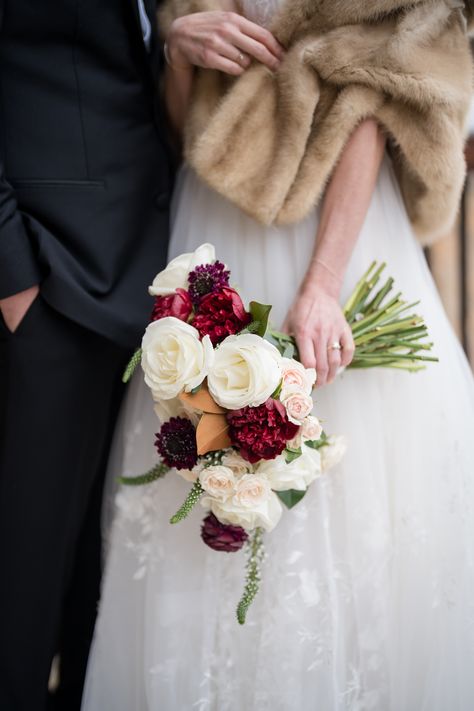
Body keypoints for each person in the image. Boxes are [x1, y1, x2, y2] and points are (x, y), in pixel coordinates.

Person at [83, 1, 474, 709]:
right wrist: (177, 50)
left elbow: (377, 90)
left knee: (353, 478)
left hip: (337, 229)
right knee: (197, 462)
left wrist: (323, 283)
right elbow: (183, 126)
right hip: (211, 225)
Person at [0, 1, 172, 709]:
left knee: (95, 599)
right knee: (19, 597)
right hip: (49, 287)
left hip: (148, 290)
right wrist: (14, 280)